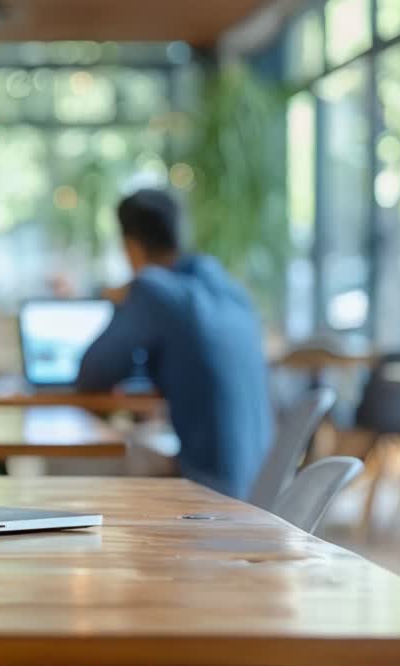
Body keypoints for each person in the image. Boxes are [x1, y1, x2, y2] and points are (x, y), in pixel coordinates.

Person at [77, 189, 273, 499]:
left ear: (129, 246)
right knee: (143, 442)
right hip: (260, 485)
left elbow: (91, 375)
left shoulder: (152, 289)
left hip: (211, 489)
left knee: (76, 461)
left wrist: (120, 303)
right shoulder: (226, 286)